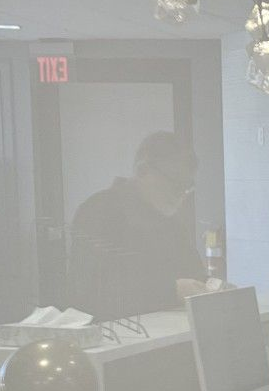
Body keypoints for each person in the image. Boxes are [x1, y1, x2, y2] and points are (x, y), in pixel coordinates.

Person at [67, 131, 204, 319]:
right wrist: (171, 290)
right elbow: (94, 291)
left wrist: (211, 286)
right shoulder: (100, 211)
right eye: (174, 182)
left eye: (187, 186)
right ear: (142, 171)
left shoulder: (171, 221)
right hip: (115, 339)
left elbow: (193, 273)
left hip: (168, 336)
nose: (181, 194)